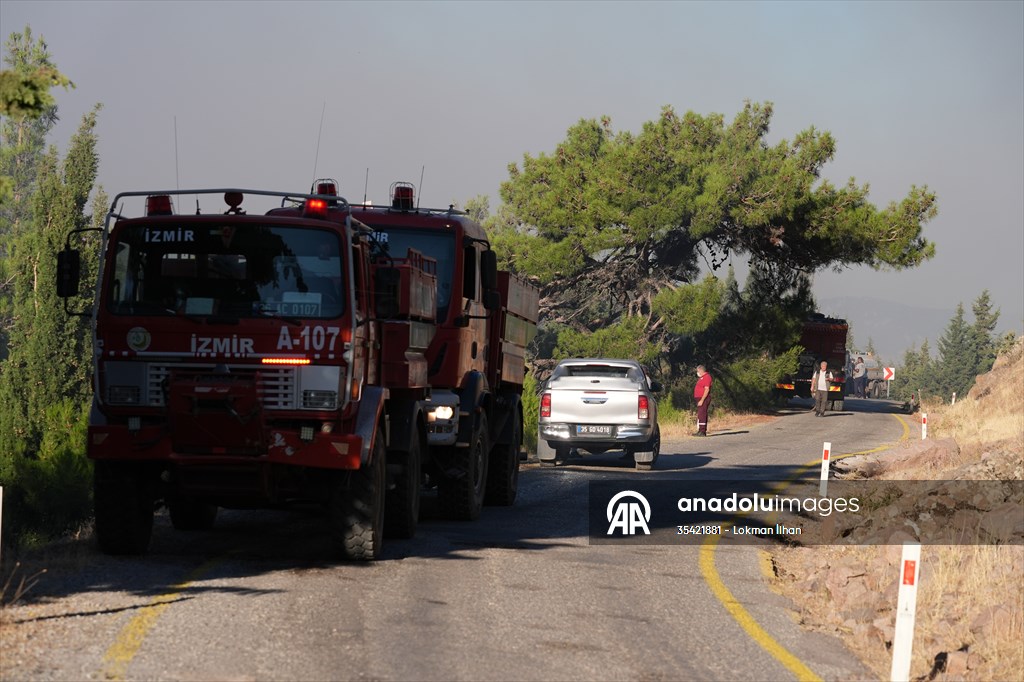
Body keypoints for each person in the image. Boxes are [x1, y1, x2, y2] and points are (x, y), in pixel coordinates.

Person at [693, 365, 713, 436]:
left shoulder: (707, 377)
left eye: (698, 371)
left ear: (701, 370)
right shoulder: (702, 378)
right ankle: (700, 430)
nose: (697, 373)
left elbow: (706, 389)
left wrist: (702, 400)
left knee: (702, 414)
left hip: (703, 398)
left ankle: (702, 431)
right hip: (699, 398)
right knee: (700, 414)